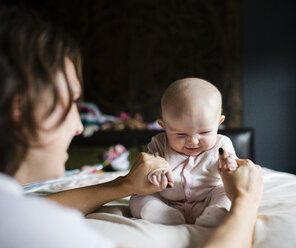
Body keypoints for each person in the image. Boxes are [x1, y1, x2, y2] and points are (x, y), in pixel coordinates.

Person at [0, 7, 263, 248]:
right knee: (144, 202)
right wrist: (245, 201)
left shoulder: (12, 213)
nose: (80, 126)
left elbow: (35, 208)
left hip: (207, 196)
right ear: (21, 109)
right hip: (169, 201)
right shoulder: (33, 228)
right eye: (70, 103)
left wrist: (124, 184)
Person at [130, 78, 238, 227]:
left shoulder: (222, 145)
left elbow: (234, 174)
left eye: (205, 132)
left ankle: (217, 213)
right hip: (167, 201)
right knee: (138, 197)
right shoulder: (159, 143)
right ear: (164, 126)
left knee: (225, 192)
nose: (193, 141)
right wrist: (155, 175)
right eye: (181, 134)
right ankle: (159, 213)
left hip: (207, 200)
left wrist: (231, 166)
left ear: (218, 123)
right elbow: (150, 167)